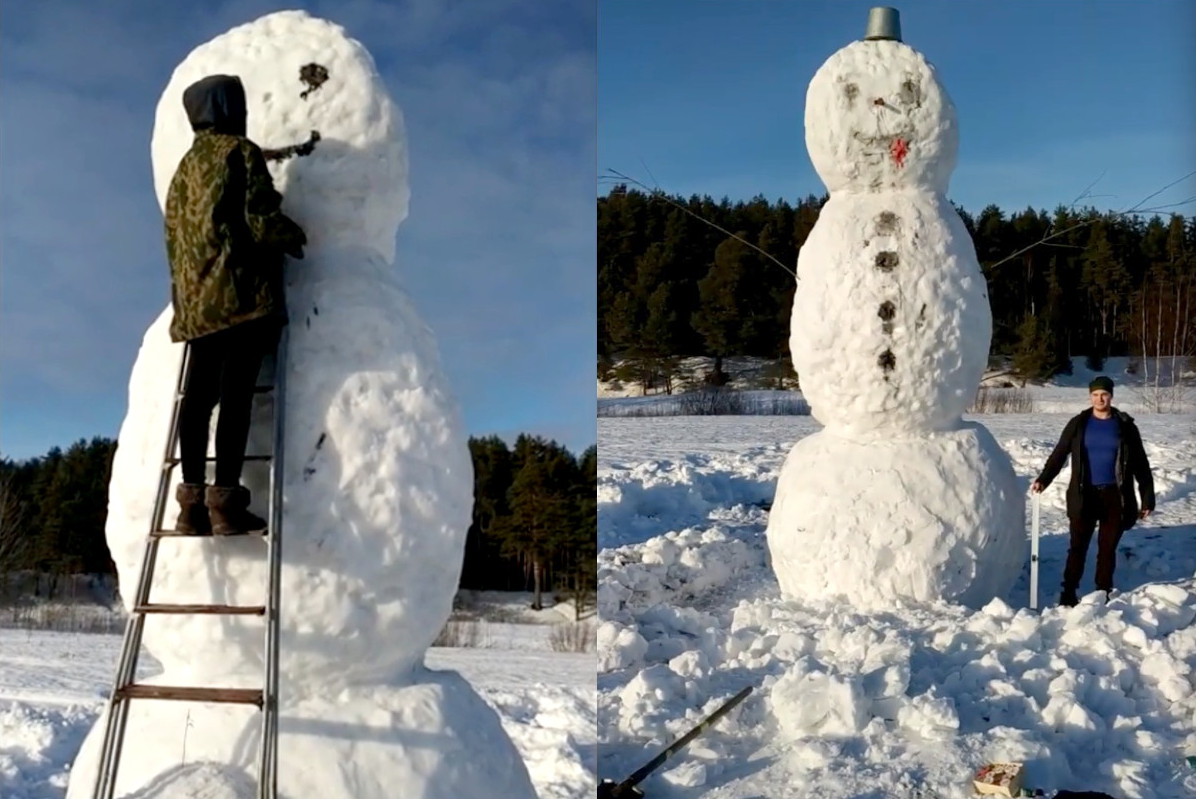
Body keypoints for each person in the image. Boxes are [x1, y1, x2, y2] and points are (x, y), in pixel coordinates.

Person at [165, 74, 307, 536]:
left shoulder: (183, 169)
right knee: (236, 395)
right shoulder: (238, 152)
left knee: (198, 397)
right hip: (239, 296)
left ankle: (190, 503)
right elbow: (260, 218)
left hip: (195, 302)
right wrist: (295, 235)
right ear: (230, 108)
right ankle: (225, 500)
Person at [1031, 375, 1154, 606]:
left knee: (1107, 549)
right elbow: (1059, 454)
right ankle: (1068, 592)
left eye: (1104, 394)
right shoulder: (1078, 424)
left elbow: (1141, 463)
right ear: (1090, 397)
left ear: (1111, 396)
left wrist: (1147, 497)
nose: (1100, 399)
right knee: (1077, 546)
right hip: (1083, 494)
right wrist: (1043, 480)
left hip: (1115, 496)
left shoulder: (1125, 425)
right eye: (1096, 395)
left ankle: (1103, 592)